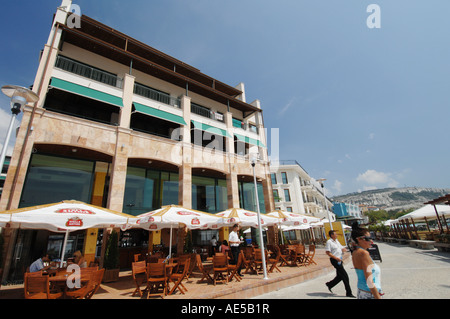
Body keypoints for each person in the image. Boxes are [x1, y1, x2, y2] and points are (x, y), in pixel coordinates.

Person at [351, 223, 383, 299]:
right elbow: (369, 281)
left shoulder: (355, 252)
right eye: (368, 238)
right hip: (369, 293)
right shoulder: (363, 253)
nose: (371, 241)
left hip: (362, 291)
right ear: (359, 239)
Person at [325, 230, 355, 298]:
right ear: (332, 235)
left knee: (340, 276)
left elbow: (341, 248)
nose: (336, 235)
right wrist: (335, 258)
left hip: (339, 259)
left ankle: (330, 284)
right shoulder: (329, 242)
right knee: (345, 276)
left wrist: (346, 249)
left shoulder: (336, 241)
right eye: (335, 234)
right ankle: (349, 292)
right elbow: (328, 252)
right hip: (335, 260)